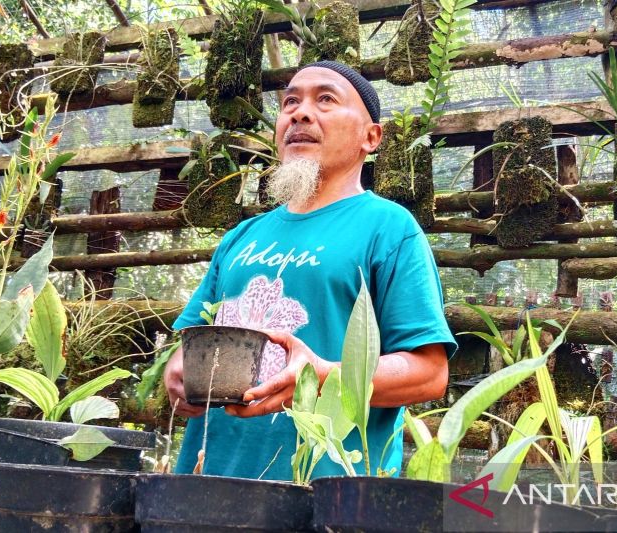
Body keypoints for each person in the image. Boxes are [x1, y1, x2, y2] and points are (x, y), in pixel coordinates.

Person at [163, 61, 456, 480]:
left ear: (371, 137)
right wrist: (177, 372)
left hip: (326, 496)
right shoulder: (241, 237)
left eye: (326, 100)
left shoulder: (389, 229)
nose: (300, 113)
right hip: (205, 486)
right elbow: (190, 342)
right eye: (290, 103)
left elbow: (429, 375)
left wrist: (322, 377)